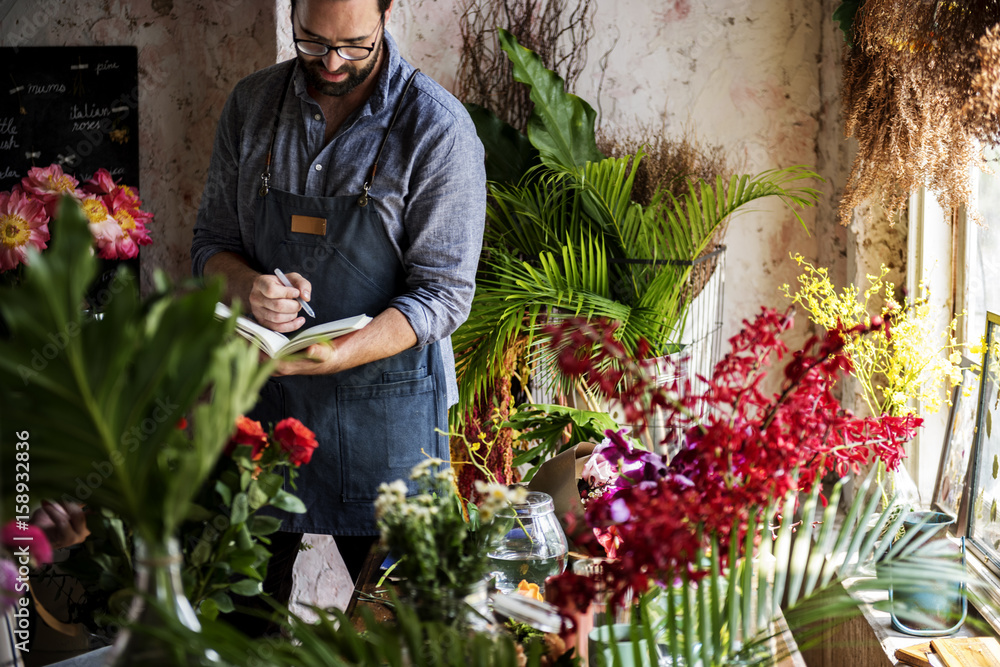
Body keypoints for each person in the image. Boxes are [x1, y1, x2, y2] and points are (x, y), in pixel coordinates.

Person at [190, 0, 486, 630]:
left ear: (387, 14)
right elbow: (209, 247)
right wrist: (247, 289)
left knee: (409, 632)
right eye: (311, 41)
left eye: (355, 44)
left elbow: (444, 295)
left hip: (387, 422)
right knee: (235, 622)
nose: (330, 63)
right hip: (263, 410)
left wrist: (341, 354)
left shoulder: (436, 128)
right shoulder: (252, 106)